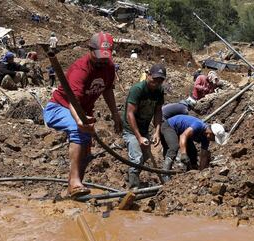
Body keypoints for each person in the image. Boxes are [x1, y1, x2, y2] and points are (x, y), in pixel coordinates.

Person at [43, 32, 122, 198]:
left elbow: (107, 90)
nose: (101, 61)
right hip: (59, 108)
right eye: (99, 57)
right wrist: (80, 120)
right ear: (90, 50)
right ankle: (74, 182)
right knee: (78, 129)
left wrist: (115, 114)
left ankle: (74, 189)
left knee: (86, 148)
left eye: (105, 57)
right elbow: (73, 101)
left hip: (82, 112)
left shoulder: (108, 67)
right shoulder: (81, 69)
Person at [122, 63, 166, 188]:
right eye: (154, 79)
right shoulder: (138, 89)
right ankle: (133, 189)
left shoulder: (159, 91)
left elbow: (158, 111)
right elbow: (130, 114)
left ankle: (131, 174)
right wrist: (138, 137)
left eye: (160, 81)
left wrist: (157, 131)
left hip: (144, 128)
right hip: (131, 129)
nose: (156, 83)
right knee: (137, 157)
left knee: (145, 155)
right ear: (148, 75)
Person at [160, 115, 226, 180]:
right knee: (174, 147)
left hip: (182, 132)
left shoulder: (206, 139)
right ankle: (165, 174)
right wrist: (183, 154)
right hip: (169, 126)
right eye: (214, 138)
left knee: (193, 152)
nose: (213, 140)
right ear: (210, 133)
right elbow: (183, 136)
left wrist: (201, 173)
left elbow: (203, 155)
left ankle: (191, 171)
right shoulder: (198, 125)